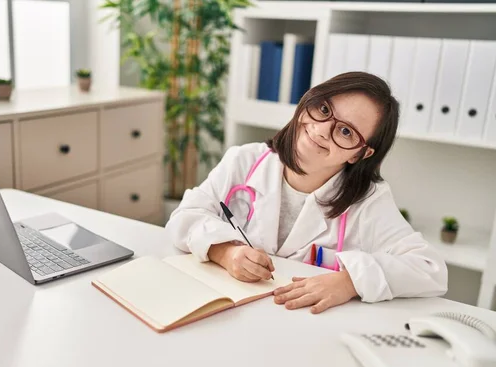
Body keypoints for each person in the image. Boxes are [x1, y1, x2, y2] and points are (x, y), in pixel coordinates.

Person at [165, 71, 448, 314]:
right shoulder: (245, 160)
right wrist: (224, 252)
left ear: (361, 154)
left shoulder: (369, 202)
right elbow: (185, 217)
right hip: (229, 311)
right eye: (324, 110)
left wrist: (350, 282)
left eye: (347, 132)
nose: (322, 130)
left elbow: (430, 269)